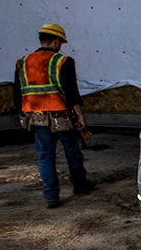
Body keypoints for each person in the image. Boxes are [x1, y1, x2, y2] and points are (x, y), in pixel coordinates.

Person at [14, 23, 95, 208]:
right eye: (61, 43)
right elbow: (71, 92)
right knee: (72, 152)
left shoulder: (22, 62)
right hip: (61, 117)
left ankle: (51, 197)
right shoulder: (63, 61)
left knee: (45, 156)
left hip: (36, 118)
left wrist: (24, 114)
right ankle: (80, 186)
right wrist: (80, 116)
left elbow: (17, 94)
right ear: (56, 41)